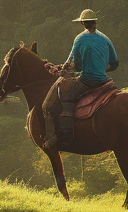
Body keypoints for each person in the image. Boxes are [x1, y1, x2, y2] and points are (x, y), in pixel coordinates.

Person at [42, 9, 119, 149]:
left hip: (88, 81)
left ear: (83, 23)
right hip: (104, 81)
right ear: (95, 22)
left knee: (63, 94)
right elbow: (114, 64)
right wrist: (101, 69)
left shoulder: (80, 38)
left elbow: (71, 63)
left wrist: (66, 69)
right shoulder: (106, 38)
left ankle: (63, 135)